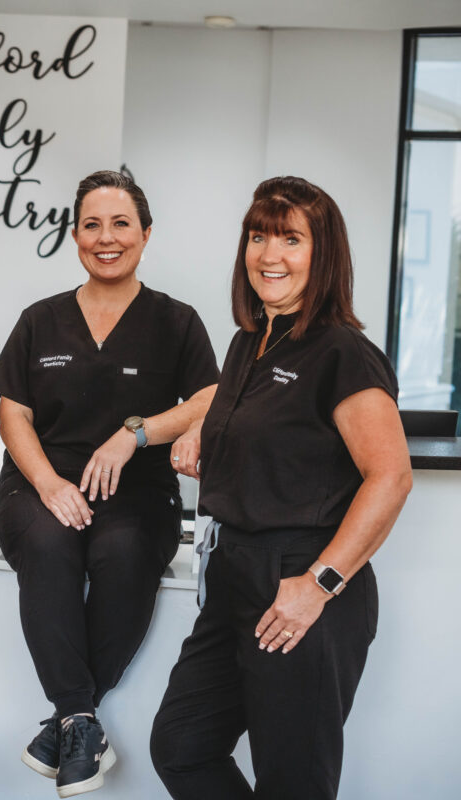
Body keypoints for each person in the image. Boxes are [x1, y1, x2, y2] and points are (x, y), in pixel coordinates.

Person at [150, 177, 412, 799]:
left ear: (324, 254)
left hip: (301, 581)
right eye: (258, 236)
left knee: (292, 782)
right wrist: (206, 432)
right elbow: (268, 426)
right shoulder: (250, 341)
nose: (270, 255)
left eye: (291, 239)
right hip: (233, 578)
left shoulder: (343, 352)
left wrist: (319, 583)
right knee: (182, 746)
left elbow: (391, 476)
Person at [0, 170, 219, 797]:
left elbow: (210, 398)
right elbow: (14, 413)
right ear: (75, 235)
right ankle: (79, 717)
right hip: (38, 482)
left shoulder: (176, 321)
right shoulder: (40, 319)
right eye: (92, 225)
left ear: (146, 234)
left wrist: (136, 432)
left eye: (121, 224)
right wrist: (47, 483)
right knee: (49, 543)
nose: (106, 238)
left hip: (138, 491)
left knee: (124, 552)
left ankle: (67, 721)